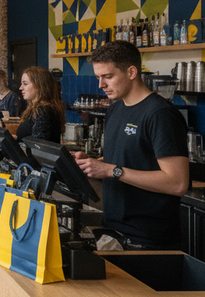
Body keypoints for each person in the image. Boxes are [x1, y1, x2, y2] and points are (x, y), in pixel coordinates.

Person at [75, 40, 189, 249]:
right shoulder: (115, 109)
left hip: (148, 240)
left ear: (132, 72)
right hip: (114, 231)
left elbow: (177, 183)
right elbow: (129, 159)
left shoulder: (159, 114)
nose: (101, 85)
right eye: (98, 77)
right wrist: (92, 164)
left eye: (108, 77)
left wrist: (112, 170)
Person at [15, 66, 65, 143]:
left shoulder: (43, 110)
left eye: (25, 84)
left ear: (39, 86)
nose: (20, 88)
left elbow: (38, 144)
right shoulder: (35, 109)